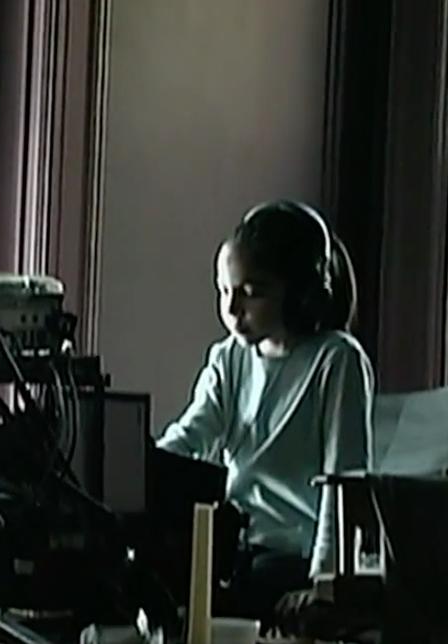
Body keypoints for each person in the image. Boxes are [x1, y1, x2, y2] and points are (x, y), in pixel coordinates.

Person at [156, 200, 374, 627]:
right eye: (224, 291)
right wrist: (139, 471)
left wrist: (324, 584)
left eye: (251, 292)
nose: (231, 308)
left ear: (301, 293)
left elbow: (344, 480)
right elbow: (193, 435)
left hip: (293, 558)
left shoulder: (337, 360)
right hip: (230, 548)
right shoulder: (228, 358)